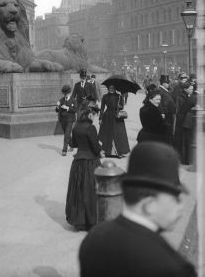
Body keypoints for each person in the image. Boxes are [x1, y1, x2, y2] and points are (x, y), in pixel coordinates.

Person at [78, 141, 196, 277]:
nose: (180, 207)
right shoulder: (173, 267)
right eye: (175, 198)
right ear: (149, 204)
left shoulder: (93, 239)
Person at [65, 105, 102, 231]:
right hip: (90, 162)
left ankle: (79, 220)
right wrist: (99, 146)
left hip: (78, 162)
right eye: (94, 114)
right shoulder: (91, 127)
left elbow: (73, 144)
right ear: (90, 114)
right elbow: (95, 148)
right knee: (91, 190)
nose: (95, 117)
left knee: (79, 191)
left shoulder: (76, 127)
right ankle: (91, 220)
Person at [98, 84, 130, 158]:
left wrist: (120, 106)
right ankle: (106, 151)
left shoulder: (119, 96)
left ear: (115, 88)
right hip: (107, 117)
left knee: (118, 134)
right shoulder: (105, 96)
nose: (111, 89)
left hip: (117, 117)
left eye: (112, 88)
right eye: (110, 88)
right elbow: (102, 108)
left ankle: (119, 152)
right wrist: (100, 118)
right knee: (107, 134)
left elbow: (122, 106)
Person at [173, 81, 197, 165]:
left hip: (186, 122)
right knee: (183, 142)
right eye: (190, 89)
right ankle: (184, 160)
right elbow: (179, 111)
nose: (192, 90)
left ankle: (186, 159)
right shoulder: (180, 98)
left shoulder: (188, 96)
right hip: (182, 123)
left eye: (193, 89)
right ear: (185, 89)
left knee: (187, 141)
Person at [56, 84, 78, 156]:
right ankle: (72, 144)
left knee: (66, 134)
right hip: (62, 120)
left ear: (69, 93)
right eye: (64, 93)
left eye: (67, 93)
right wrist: (57, 106)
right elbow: (57, 110)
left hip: (70, 119)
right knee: (67, 134)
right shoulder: (61, 100)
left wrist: (67, 108)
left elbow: (75, 110)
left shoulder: (73, 100)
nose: (65, 94)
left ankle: (64, 150)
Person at [157, 74, 177, 142]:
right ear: (163, 83)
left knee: (169, 132)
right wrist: (162, 112)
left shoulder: (165, 90)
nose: (169, 84)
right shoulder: (160, 90)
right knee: (166, 132)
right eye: (167, 83)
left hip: (169, 114)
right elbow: (159, 102)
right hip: (165, 115)